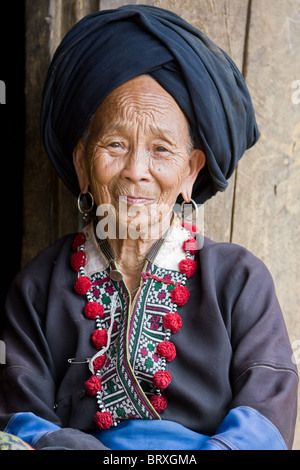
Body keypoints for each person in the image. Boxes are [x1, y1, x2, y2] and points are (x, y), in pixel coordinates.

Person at [0, 5, 298, 451]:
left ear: (191, 172)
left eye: (161, 150)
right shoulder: (37, 287)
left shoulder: (238, 279)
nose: (136, 171)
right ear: (82, 163)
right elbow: (18, 424)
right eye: (115, 145)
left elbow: (268, 417)